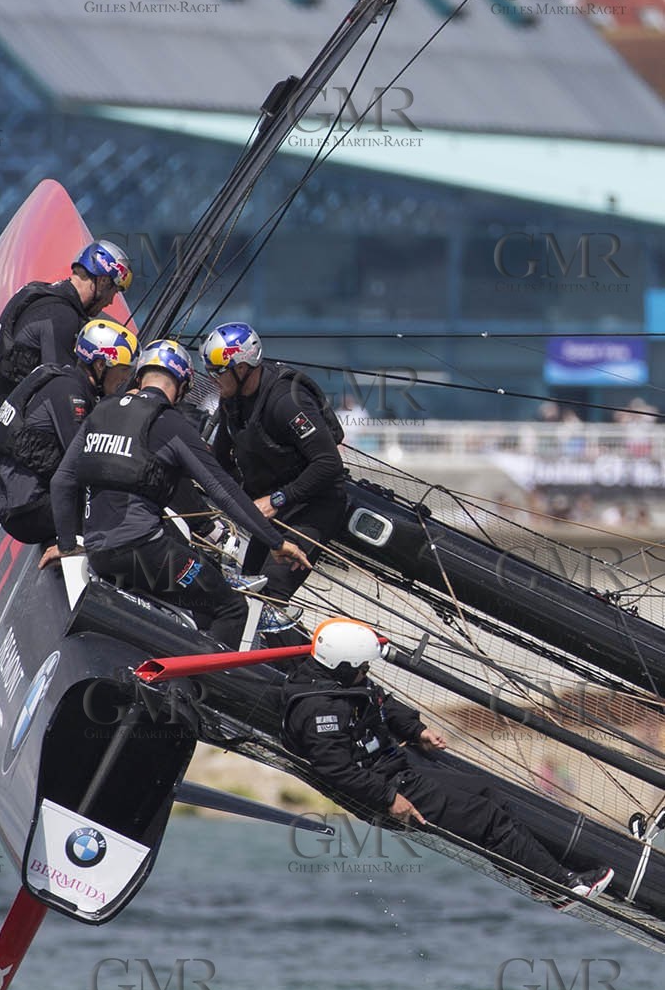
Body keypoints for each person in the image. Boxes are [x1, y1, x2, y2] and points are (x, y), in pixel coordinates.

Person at [283, 616, 614, 904]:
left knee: (488, 793)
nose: (367, 672)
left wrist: (418, 731)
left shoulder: (343, 680)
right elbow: (335, 770)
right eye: (363, 667)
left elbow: (380, 701)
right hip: (387, 791)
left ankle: (541, 879)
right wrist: (389, 799)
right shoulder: (320, 709)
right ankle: (559, 887)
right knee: (487, 819)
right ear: (343, 666)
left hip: (400, 771)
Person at [46, 338, 309, 647]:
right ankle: (206, 686)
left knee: (199, 582)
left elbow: (61, 482)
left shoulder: (100, 412)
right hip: (145, 553)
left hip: (100, 553)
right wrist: (275, 541)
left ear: (141, 375)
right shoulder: (170, 423)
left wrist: (66, 545)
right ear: (182, 386)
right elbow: (222, 491)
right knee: (231, 608)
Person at [201, 321, 347, 600]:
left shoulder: (287, 401)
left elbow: (328, 463)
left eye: (216, 372)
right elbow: (221, 459)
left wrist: (276, 500)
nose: (212, 379)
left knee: (270, 594)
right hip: (272, 508)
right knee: (245, 590)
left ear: (241, 368)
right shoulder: (231, 398)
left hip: (312, 506)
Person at [0, 317, 138, 547]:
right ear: (100, 365)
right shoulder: (70, 393)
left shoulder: (65, 379)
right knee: (131, 516)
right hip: (28, 508)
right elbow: (88, 462)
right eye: (123, 370)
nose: (125, 378)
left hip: (15, 500)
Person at [0, 240, 133, 405]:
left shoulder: (36, 292)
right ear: (103, 281)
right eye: (114, 291)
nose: (111, 301)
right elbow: (62, 391)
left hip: (7, 408)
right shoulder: (63, 317)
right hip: (28, 422)